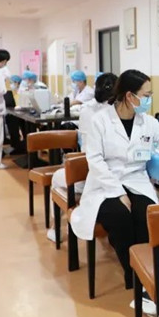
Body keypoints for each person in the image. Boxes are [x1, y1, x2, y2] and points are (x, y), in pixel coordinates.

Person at [70, 69, 159, 312]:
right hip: (105, 182)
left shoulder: (146, 121)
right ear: (130, 96)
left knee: (146, 214)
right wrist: (117, 192)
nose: (149, 99)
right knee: (119, 215)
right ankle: (134, 276)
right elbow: (95, 160)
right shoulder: (101, 120)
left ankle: (146, 274)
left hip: (136, 180)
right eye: (147, 95)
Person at [48, 72, 118, 242]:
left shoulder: (89, 110)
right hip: (118, 174)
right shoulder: (121, 110)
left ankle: (55, 228)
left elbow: (88, 151)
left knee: (57, 178)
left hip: (91, 175)